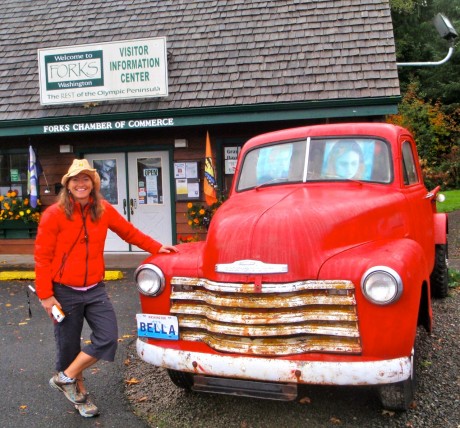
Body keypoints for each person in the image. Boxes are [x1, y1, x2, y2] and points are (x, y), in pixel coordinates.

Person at [34, 159, 178, 418]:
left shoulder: (103, 209)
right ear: (67, 185)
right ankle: (79, 395)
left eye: (86, 179)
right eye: (76, 179)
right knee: (68, 346)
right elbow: (42, 257)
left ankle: (64, 377)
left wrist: (157, 247)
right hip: (64, 291)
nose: (81, 183)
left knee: (107, 337)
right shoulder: (53, 215)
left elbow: (129, 232)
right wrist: (45, 294)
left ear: (93, 184)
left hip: (95, 289)